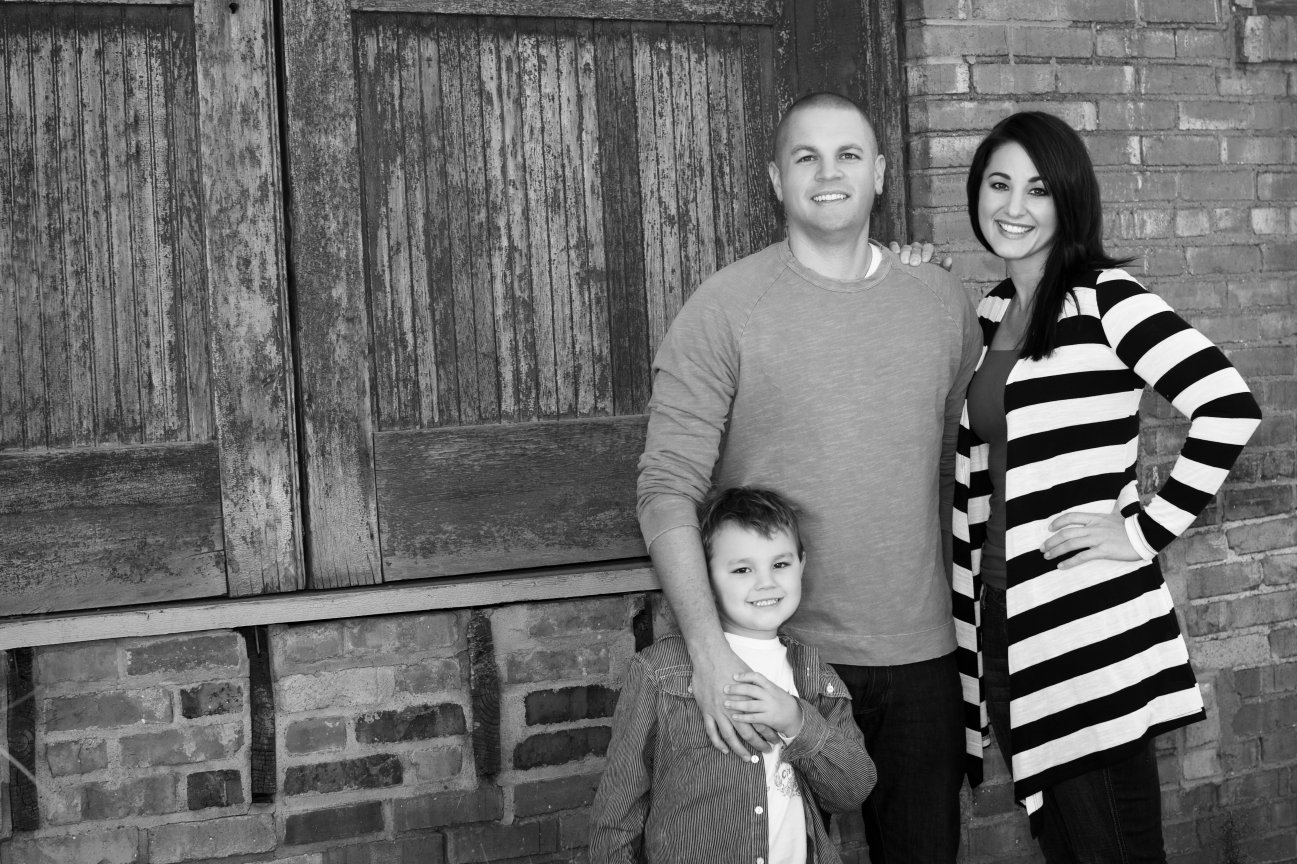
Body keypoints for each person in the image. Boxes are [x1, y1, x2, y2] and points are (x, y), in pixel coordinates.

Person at [636, 91, 982, 861]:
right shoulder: (725, 307)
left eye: (848, 155)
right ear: (775, 178)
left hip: (919, 654)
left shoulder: (940, 301)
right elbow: (665, 489)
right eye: (806, 157)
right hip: (775, 655)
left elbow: (955, 465)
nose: (829, 174)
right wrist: (709, 652)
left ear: (879, 173)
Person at [951, 110, 1262, 860]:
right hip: (1005, 616)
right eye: (998, 184)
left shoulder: (1104, 296)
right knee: (1066, 846)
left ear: (1068, 201)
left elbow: (1228, 406)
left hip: (1087, 625)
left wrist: (1140, 533)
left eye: (1037, 189)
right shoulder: (992, 311)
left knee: (1114, 849)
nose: (1013, 207)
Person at [589, 486, 876, 863]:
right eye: (742, 569)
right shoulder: (661, 672)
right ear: (704, 578)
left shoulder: (815, 676)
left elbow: (852, 791)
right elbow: (618, 809)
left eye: (780, 564)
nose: (766, 583)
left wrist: (797, 721)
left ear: (802, 565)